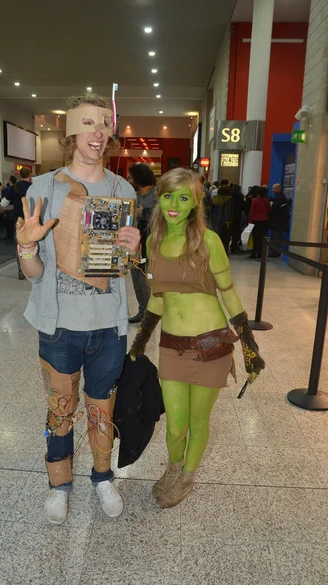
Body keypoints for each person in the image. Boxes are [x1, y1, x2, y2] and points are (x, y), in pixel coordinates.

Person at [16, 93, 140, 525]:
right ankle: (58, 485)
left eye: (104, 125)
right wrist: (27, 244)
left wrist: (133, 248)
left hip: (109, 325)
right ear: (71, 131)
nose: (98, 133)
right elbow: (33, 273)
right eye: (89, 124)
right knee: (60, 408)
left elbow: (120, 268)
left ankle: (102, 477)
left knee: (102, 407)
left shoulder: (122, 190)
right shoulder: (45, 187)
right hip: (59, 325)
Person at [129, 168, 264, 508]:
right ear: (158, 197)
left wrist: (249, 345)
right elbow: (158, 297)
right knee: (175, 425)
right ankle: (175, 467)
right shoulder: (154, 240)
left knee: (197, 421)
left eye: (184, 197)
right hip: (172, 346)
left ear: (195, 203)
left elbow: (229, 293)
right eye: (168, 195)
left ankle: (186, 475)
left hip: (211, 345)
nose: (174, 204)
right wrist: (141, 339)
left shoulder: (209, 241)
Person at [127, 163, 156, 323]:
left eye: (131, 177)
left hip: (151, 245)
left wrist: (142, 212)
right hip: (135, 246)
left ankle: (150, 313)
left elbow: (162, 215)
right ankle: (143, 310)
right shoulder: (134, 195)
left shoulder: (157, 195)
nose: (129, 180)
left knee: (147, 279)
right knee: (136, 277)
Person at [3, 167, 32, 279]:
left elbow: (4, 202)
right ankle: (33, 269)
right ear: (30, 174)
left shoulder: (14, 187)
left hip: (19, 220)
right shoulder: (33, 186)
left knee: (19, 246)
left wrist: (1, 208)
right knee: (34, 244)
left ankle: (21, 271)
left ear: (19, 175)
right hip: (32, 220)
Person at [209, 179, 233, 252]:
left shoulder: (214, 198)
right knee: (223, 239)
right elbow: (229, 211)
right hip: (223, 222)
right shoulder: (229, 199)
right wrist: (228, 222)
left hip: (213, 220)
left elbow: (210, 209)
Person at [248, 186, 271, 259]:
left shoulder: (255, 200)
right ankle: (261, 254)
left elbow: (252, 211)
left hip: (256, 221)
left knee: (256, 238)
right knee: (263, 238)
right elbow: (269, 211)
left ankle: (254, 253)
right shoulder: (267, 200)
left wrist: (250, 221)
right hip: (264, 221)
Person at [270, 183, 289, 257]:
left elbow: (276, 210)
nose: (272, 190)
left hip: (277, 222)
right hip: (279, 222)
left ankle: (275, 252)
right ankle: (276, 251)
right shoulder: (280, 197)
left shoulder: (279, 198)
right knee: (277, 236)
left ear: (279, 189)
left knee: (276, 236)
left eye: (274, 188)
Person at [230, 184, 245, 254]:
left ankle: (226, 246)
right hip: (237, 215)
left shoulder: (230, 195)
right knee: (235, 233)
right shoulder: (241, 195)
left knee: (228, 232)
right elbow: (243, 206)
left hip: (230, 215)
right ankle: (233, 247)